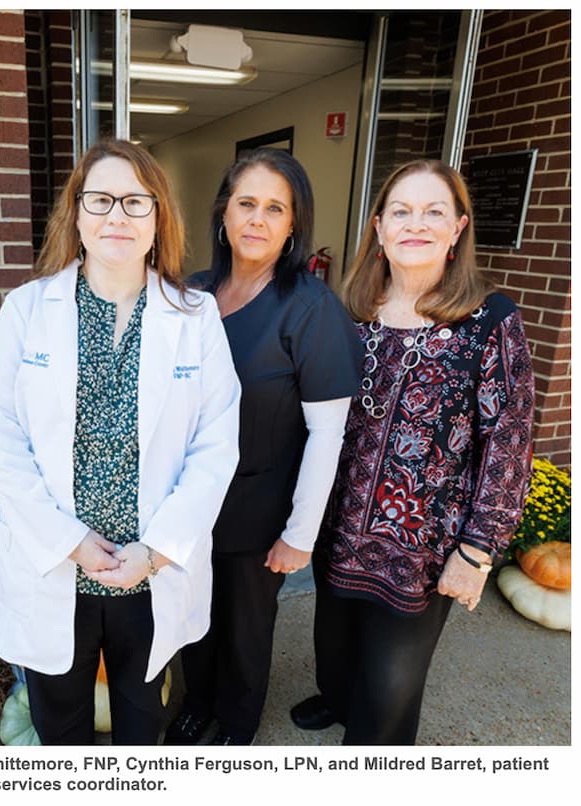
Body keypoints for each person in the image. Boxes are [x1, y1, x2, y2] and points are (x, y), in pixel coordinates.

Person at [0, 138, 241, 745]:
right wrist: (66, 540)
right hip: (56, 564)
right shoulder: (26, 310)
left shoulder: (196, 317)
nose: (116, 215)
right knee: (60, 722)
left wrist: (157, 548)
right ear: (77, 213)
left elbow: (216, 446)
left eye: (135, 201)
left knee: (141, 719)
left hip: (147, 570)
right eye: (99, 200)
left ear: (158, 218)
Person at [291, 159, 535, 745]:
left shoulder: (489, 320)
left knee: (391, 687)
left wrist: (476, 553)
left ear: (457, 229)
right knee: (336, 645)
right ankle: (338, 698)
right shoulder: (348, 311)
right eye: (401, 211)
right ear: (378, 228)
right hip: (341, 529)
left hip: (423, 546)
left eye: (433, 212)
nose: (415, 224)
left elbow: (510, 441)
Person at [164, 148, 364, 746]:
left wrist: (300, 533)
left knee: (246, 628)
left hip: (260, 507)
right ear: (223, 214)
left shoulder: (311, 309)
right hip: (188, 503)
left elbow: (328, 434)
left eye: (274, 208)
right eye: (245, 203)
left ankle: (240, 722)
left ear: (293, 224)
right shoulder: (190, 294)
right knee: (192, 616)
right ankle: (198, 703)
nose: (257, 219)